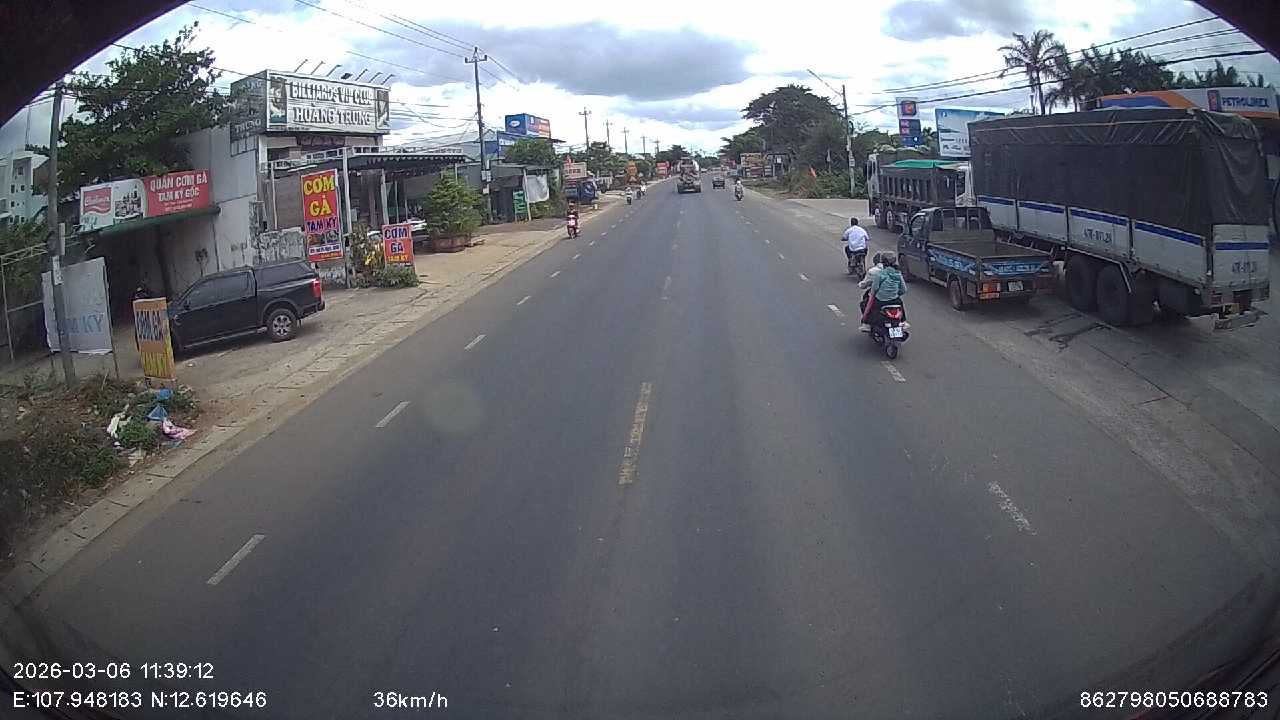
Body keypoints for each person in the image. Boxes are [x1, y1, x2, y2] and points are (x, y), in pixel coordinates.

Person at [861, 251, 907, 332]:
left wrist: (875, 294)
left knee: (868, 307)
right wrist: (895, 294)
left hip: (881, 300)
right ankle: (903, 321)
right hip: (894, 300)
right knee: (901, 305)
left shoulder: (880, 274)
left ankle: (867, 324)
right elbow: (903, 290)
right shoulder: (898, 274)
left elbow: (874, 288)